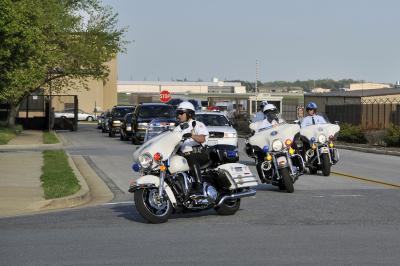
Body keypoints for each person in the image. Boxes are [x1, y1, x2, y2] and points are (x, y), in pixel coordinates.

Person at [174, 101, 209, 195]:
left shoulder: (197, 124)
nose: (178, 116)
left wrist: (192, 136)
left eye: (181, 113)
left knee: (191, 158)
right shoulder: (178, 128)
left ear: (189, 114)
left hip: (199, 153)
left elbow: (202, 138)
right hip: (183, 156)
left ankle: (199, 186)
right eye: (178, 113)